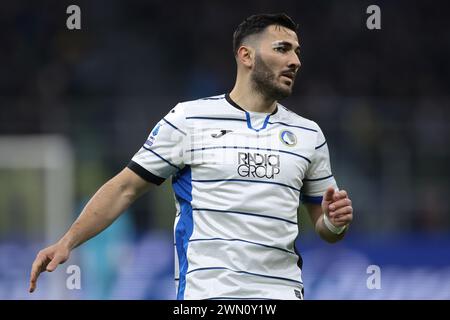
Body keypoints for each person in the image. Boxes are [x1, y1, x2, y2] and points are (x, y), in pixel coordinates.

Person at [29, 13, 353, 300]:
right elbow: (125, 188)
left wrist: (335, 224)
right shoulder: (189, 120)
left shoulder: (308, 134)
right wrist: (67, 241)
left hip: (283, 292)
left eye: (297, 51)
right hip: (210, 295)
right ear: (246, 56)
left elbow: (323, 225)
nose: (295, 60)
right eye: (282, 49)